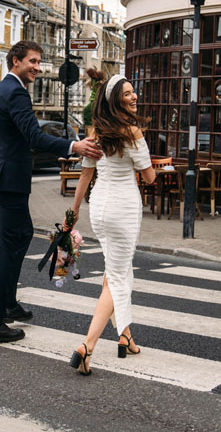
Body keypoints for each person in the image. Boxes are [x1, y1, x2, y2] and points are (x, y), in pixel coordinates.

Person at [0, 40, 102, 346]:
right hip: (9, 180)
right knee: (9, 247)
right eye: (31, 61)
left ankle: (7, 304)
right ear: (15, 61)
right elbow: (33, 136)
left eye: (38, 62)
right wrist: (75, 146)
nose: (36, 67)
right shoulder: (16, 92)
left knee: (20, 236)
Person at [65, 74, 156, 374]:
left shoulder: (95, 133)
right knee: (116, 277)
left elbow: (86, 174)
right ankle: (87, 346)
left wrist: (74, 211)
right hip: (123, 209)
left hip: (99, 208)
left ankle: (125, 336)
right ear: (116, 100)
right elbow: (149, 177)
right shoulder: (133, 133)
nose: (134, 97)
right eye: (127, 94)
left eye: (134, 92)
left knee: (117, 269)